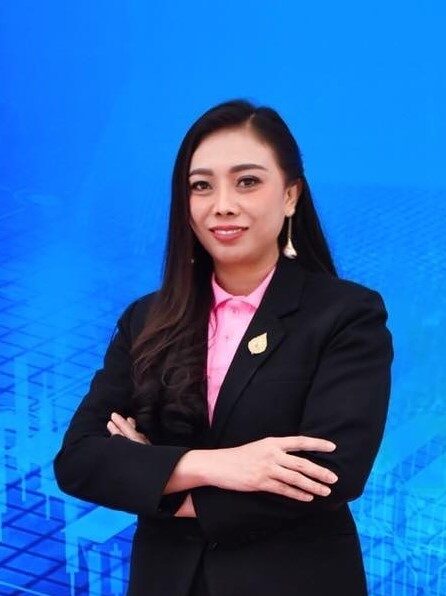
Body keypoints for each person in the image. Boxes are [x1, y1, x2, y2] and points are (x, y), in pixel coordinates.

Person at [53, 99, 394, 596]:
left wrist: (157, 479)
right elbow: (81, 460)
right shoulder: (146, 319)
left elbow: (328, 474)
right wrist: (220, 465)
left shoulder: (346, 315)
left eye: (247, 181)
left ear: (291, 195)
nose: (223, 204)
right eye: (201, 186)